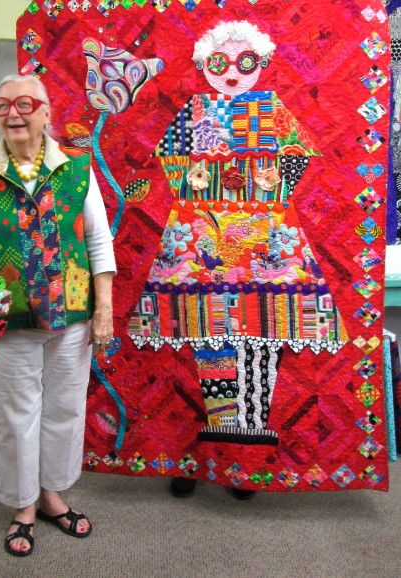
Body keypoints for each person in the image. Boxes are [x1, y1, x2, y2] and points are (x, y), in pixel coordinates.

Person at [126, 21, 347, 495]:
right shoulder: (194, 108)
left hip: (267, 238)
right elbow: (168, 158)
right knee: (205, 339)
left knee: (264, 334)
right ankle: (206, 450)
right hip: (201, 239)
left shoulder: (270, 108)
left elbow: (300, 154)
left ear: (261, 65)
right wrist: (205, 183)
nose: (231, 73)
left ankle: (246, 449)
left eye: (244, 62)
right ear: (204, 65)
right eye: (219, 63)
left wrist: (263, 184)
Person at [0, 74, 116, 557]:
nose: (14, 113)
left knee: (64, 407)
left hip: (72, 312)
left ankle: (53, 495)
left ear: (46, 113)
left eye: (25, 103)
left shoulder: (78, 168)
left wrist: (104, 310)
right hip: (9, 316)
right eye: (3, 105)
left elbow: (99, 241)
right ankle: (22, 506)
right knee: (14, 414)